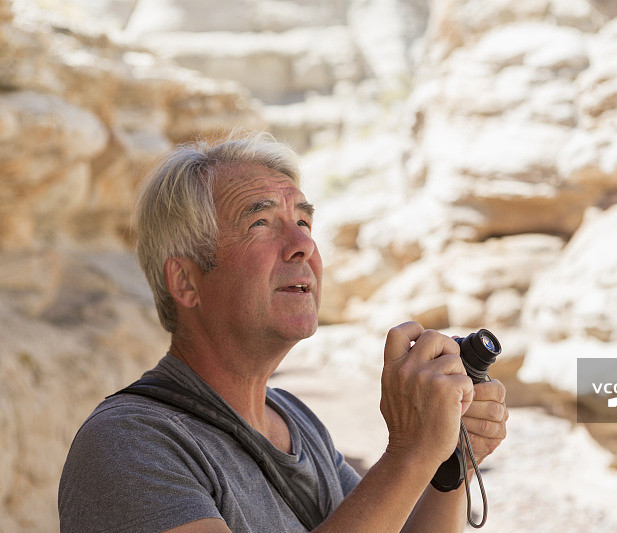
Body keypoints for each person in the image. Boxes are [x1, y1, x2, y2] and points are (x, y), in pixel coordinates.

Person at [58, 131, 509, 532]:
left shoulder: (295, 421)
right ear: (186, 281)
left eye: (304, 223)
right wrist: (409, 452)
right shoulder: (127, 446)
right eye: (260, 223)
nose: (304, 245)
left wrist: (446, 463)